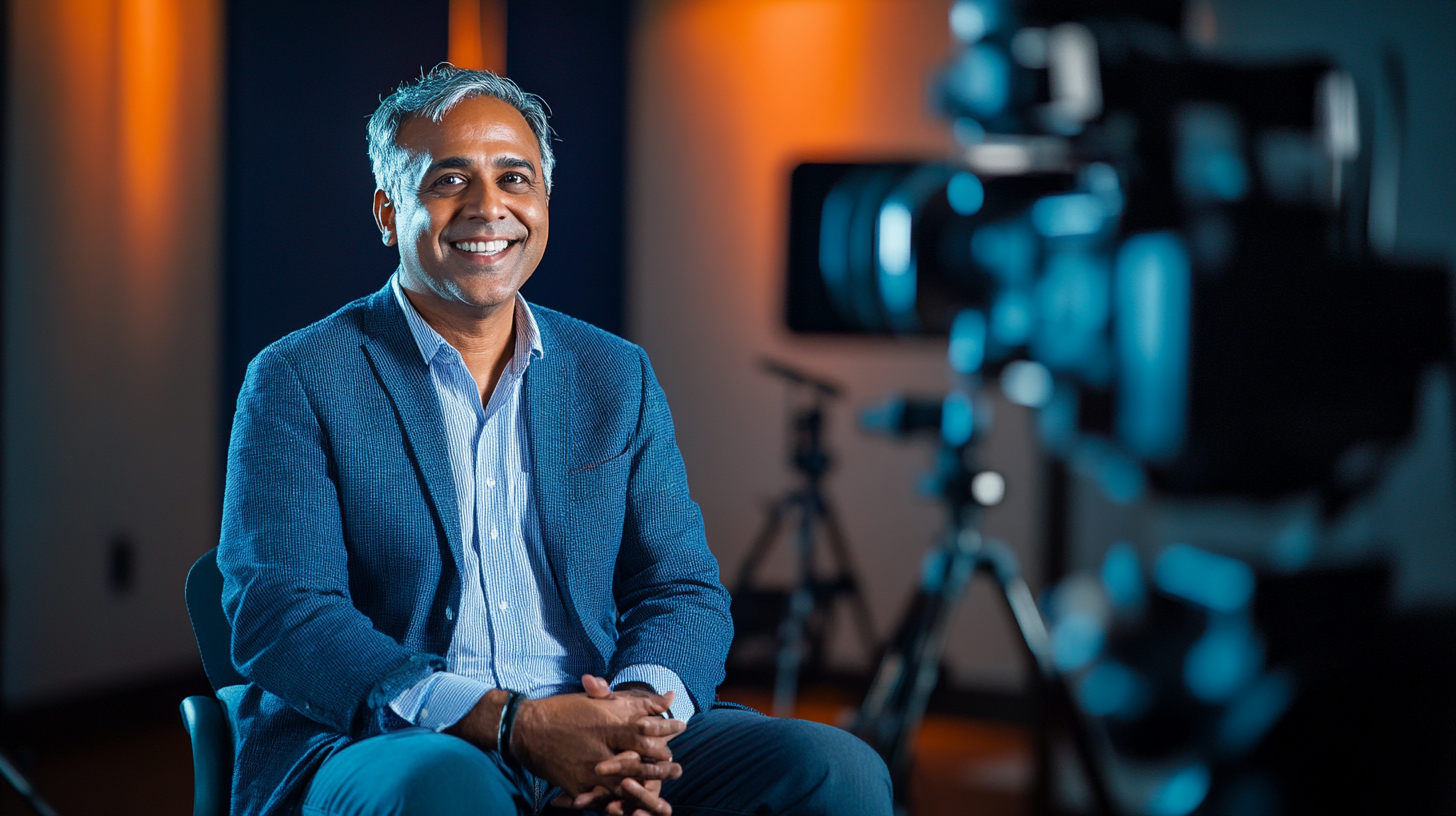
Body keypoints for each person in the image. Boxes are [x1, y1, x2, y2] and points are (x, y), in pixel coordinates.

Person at [218, 65, 892, 816]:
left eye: (515, 178)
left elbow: (680, 588)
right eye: (448, 181)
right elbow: (284, 613)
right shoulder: (298, 377)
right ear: (386, 211)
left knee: (838, 771)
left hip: (592, 713)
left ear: (543, 201)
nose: (488, 208)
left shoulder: (615, 373)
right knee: (447, 787)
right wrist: (514, 726)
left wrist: (632, 725)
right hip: (396, 740)